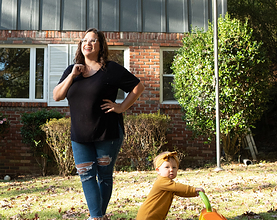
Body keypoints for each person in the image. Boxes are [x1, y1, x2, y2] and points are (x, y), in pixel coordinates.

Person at [53, 28, 145, 220]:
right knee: (86, 175)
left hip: (107, 133)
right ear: (80, 45)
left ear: (101, 46)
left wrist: (121, 107)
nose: (88, 43)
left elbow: (138, 87)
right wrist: (72, 75)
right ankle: (98, 217)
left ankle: (95, 217)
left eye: (93, 40)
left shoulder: (111, 69)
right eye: (85, 40)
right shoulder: (72, 71)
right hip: (79, 136)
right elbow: (57, 95)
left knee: (104, 176)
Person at [136, 151, 205, 220]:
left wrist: (194, 193)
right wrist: (193, 189)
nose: (171, 170)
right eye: (167, 167)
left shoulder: (168, 184)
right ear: (158, 170)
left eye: (174, 167)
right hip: (148, 215)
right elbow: (177, 187)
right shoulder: (161, 182)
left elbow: (180, 191)